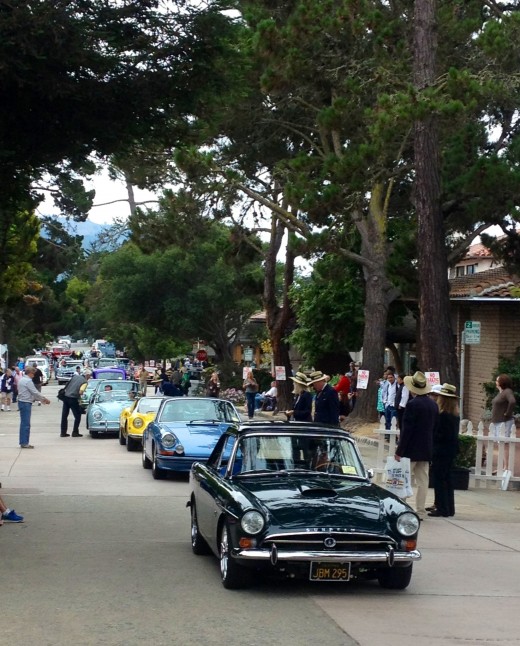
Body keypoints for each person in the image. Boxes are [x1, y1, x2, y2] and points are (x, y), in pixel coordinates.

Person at [395, 371, 438, 520]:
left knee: (404, 480)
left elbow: (407, 430)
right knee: (423, 481)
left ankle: (402, 507)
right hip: (426, 447)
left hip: (411, 448)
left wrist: (399, 450)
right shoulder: (433, 405)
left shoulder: (412, 405)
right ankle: (420, 510)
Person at [429, 383, 460, 518]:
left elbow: (440, 434)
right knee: (447, 478)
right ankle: (449, 508)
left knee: (439, 479)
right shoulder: (454, 415)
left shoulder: (443, 416)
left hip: (441, 450)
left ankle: (442, 507)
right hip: (450, 450)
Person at [17, 366, 51, 448]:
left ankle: (23, 441)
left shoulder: (21, 380)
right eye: (33, 374)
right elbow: (35, 392)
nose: (34, 376)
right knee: (26, 424)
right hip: (26, 403)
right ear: (30, 373)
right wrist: (44, 399)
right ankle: (25, 442)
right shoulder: (28, 381)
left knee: (23, 423)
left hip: (22, 401)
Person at [491, 373, 516, 470]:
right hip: (498, 421)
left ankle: (506, 466)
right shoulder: (501, 392)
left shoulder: (507, 391)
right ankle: (502, 465)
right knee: (499, 443)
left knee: (504, 444)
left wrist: (507, 413)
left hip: (504, 422)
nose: (496, 382)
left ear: (501, 382)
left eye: (497, 380)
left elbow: (512, 401)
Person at [60, 369, 91, 437]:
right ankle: (75, 432)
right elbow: (81, 392)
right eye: (89, 376)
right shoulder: (84, 382)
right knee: (77, 416)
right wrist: (81, 398)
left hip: (66, 397)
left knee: (64, 415)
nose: (90, 377)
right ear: (87, 375)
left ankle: (63, 432)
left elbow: (68, 385)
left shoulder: (75, 377)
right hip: (73, 398)